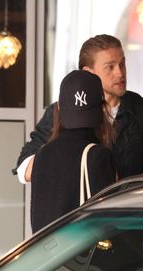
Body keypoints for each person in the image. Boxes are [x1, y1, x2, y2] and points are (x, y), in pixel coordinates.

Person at [13, 34, 143, 183]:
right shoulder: (62, 111)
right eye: (110, 67)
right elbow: (24, 168)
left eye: (122, 64)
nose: (120, 73)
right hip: (79, 209)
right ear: (88, 73)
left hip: (128, 208)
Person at [31, 70, 116, 233]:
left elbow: (37, 221)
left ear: (59, 108)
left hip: (47, 256)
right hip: (80, 256)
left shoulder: (42, 154)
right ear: (102, 109)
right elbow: (105, 224)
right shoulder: (98, 156)